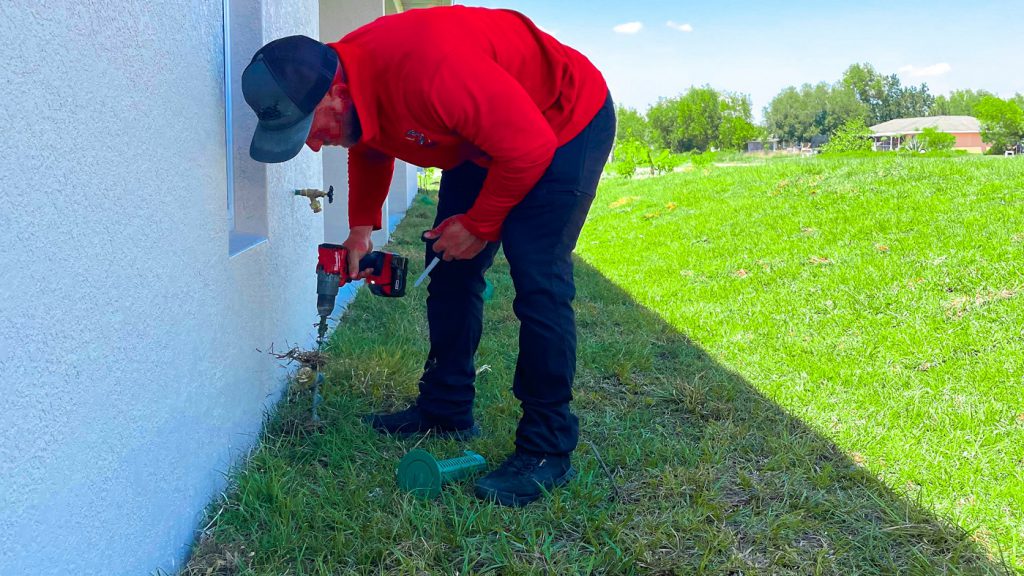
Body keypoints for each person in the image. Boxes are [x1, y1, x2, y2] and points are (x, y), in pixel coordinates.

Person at [242, 5, 615, 507]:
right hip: (485, 138)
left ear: (338, 94)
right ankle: (446, 409)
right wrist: (360, 230)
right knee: (449, 267)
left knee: (538, 275)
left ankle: (547, 447)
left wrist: (480, 225)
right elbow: (369, 143)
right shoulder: (355, 78)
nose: (311, 144)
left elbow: (529, 148)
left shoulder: (432, 73)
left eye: (310, 126)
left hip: (563, 122)